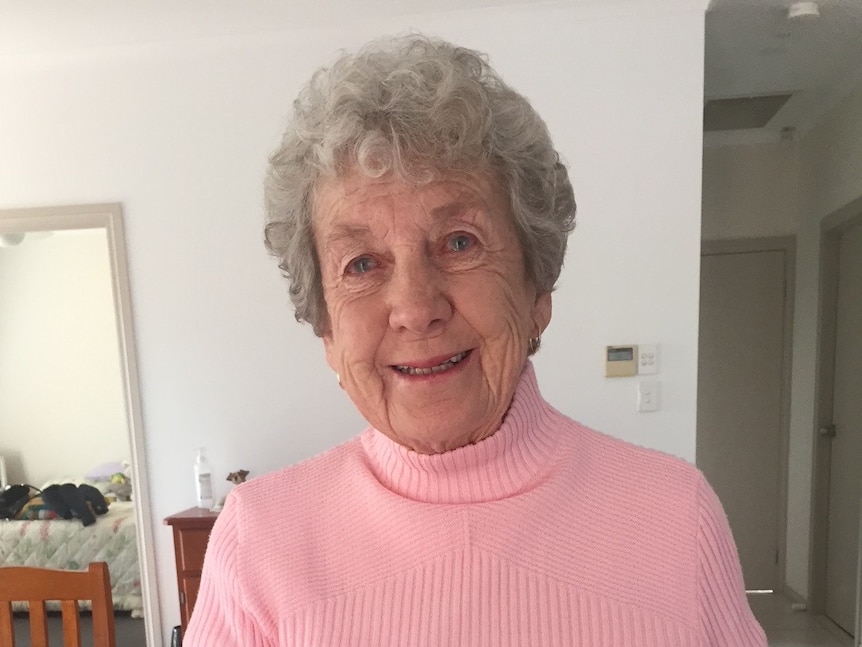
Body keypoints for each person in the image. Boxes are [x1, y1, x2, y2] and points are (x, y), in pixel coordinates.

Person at [184, 35, 766, 646]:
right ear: (326, 329)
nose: (415, 308)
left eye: (459, 242)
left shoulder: (673, 519)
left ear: (536, 286)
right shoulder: (260, 540)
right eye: (361, 264)